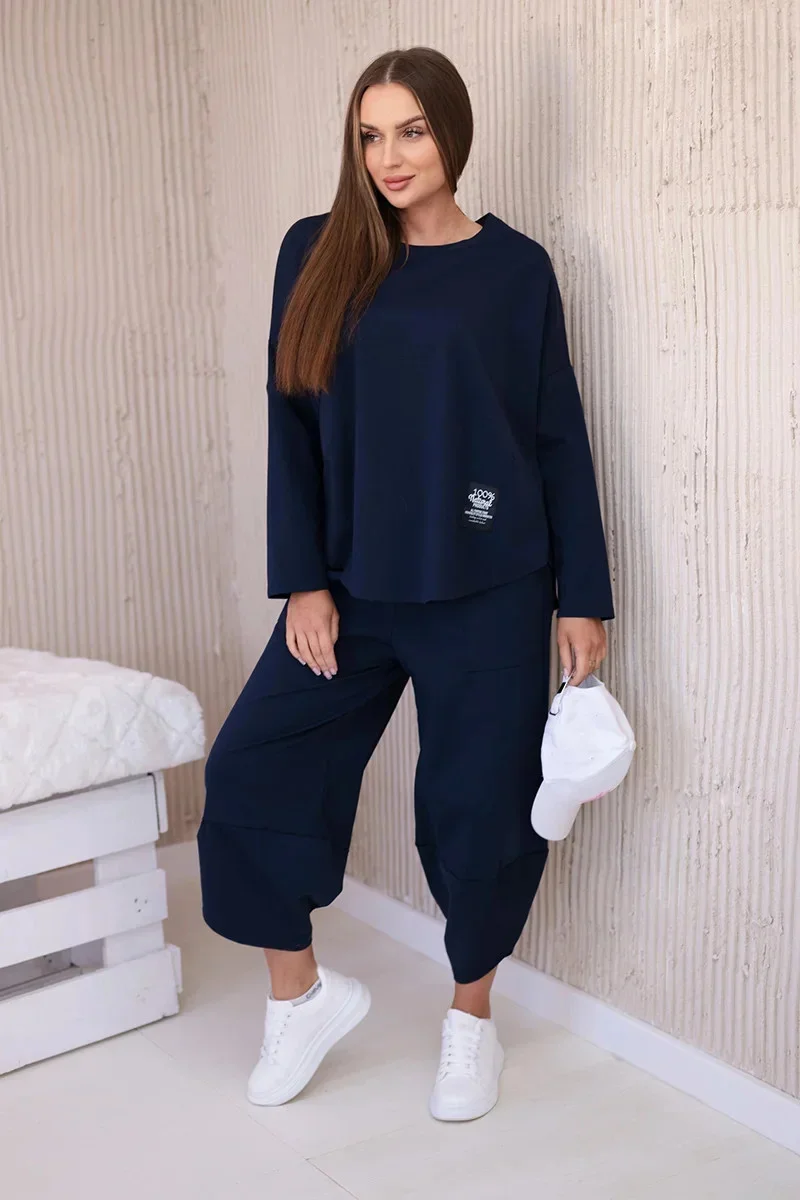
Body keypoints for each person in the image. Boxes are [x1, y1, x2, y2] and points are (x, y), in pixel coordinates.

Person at [197, 45, 614, 1123]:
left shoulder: (514, 271)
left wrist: (582, 594)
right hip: (350, 588)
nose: (389, 156)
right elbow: (291, 421)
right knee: (253, 770)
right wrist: (302, 581)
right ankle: (300, 998)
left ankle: (471, 1019)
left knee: (478, 814)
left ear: (451, 133)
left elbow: (556, 438)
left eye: (412, 131)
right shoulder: (316, 251)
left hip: (490, 585)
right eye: (371, 135)